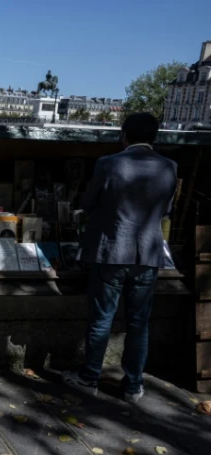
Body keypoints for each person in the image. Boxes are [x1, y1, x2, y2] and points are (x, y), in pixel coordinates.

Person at [63, 113, 178, 404]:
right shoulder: (170, 167)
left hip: (111, 251)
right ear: (154, 136)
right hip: (148, 255)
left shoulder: (108, 164)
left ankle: (89, 378)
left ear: (123, 135)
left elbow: (88, 203)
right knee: (139, 322)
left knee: (102, 318)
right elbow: (166, 211)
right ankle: (133, 385)